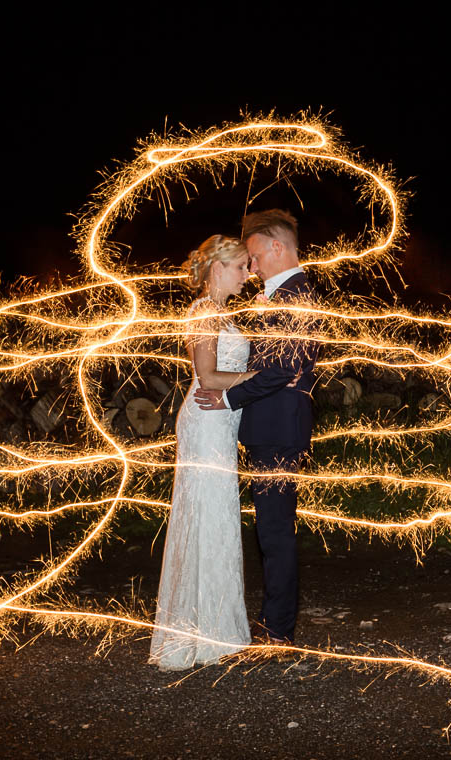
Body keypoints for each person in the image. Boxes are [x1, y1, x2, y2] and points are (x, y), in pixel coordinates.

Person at [194, 209, 318, 645]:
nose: (252, 266)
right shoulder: (283, 296)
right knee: (272, 529)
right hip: (273, 428)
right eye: (244, 261)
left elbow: (281, 368)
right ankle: (272, 624)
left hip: (277, 430)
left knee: (275, 531)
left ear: (276, 247)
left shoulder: (292, 297)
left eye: (254, 255)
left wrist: (227, 397)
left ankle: (277, 630)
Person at [148, 235, 257, 671]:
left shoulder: (222, 313)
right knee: (208, 514)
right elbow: (208, 376)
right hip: (206, 422)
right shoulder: (203, 312)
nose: (247, 275)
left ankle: (214, 627)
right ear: (217, 269)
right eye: (239, 267)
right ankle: (205, 633)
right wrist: (262, 375)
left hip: (221, 423)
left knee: (217, 515)